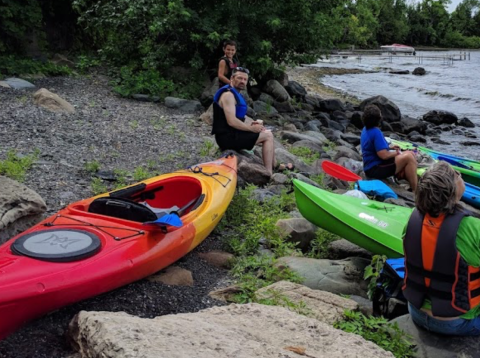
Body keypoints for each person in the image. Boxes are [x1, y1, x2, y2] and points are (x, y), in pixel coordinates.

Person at [403, 161, 480, 336]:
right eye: (457, 175)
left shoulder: (412, 219)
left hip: (415, 311)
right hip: (456, 322)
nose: (461, 176)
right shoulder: (474, 229)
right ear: (452, 190)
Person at [211, 67, 276, 176]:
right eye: (239, 78)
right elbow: (231, 121)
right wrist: (250, 129)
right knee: (268, 136)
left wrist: (250, 125)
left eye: (245, 79)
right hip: (226, 138)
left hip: (233, 133)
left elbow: (235, 120)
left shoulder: (236, 94)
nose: (242, 81)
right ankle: (269, 173)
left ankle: (274, 165)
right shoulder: (228, 95)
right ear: (232, 78)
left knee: (265, 131)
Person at [360, 104, 417, 191]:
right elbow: (383, 155)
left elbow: (375, 147)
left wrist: (391, 147)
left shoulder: (365, 129)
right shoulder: (376, 132)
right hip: (375, 169)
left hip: (369, 166)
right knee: (409, 157)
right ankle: (416, 191)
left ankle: (405, 180)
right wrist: (397, 153)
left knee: (410, 153)